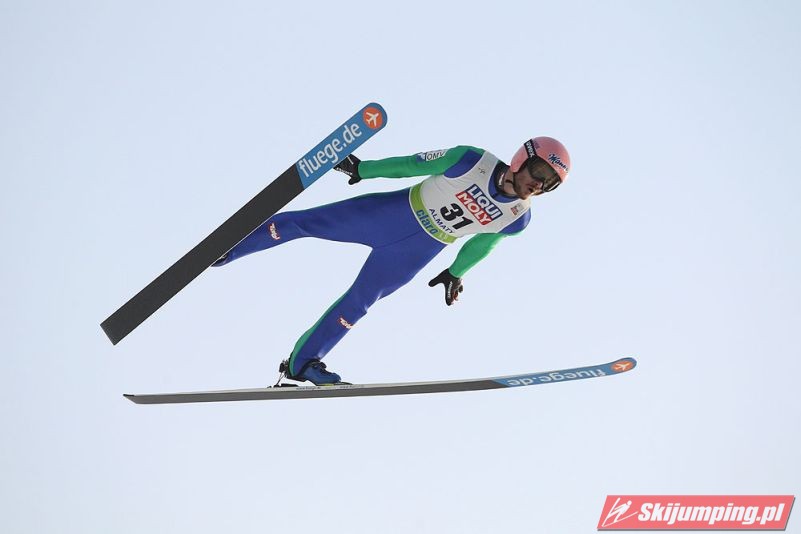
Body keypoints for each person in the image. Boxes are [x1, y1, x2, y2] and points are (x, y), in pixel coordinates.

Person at [213, 137, 571, 385]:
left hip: (416, 251)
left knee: (359, 303)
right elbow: (411, 165)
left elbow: (483, 244)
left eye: (549, 184)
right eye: (539, 173)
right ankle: (229, 248)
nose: (538, 185)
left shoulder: (517, 218)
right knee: (304, 222)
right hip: (388, 215)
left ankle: (302, 364)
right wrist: (363, 169)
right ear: (522, 159)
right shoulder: (470, 160)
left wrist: (455, 272)